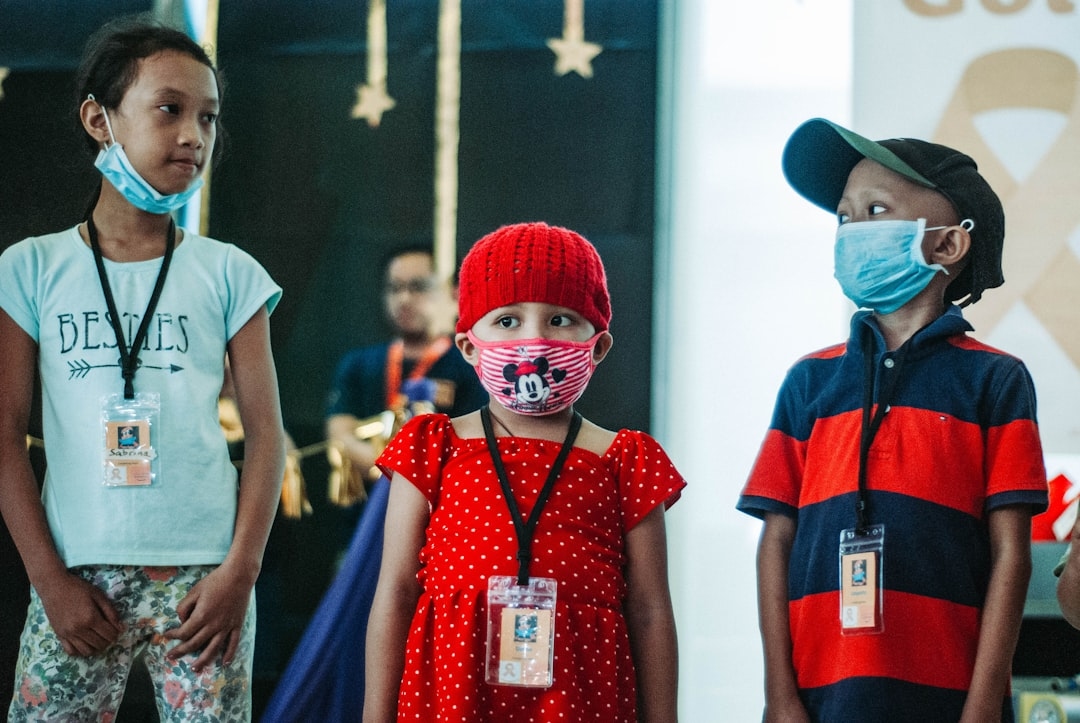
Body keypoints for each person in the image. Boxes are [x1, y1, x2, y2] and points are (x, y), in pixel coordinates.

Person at [0, 14, 285, 721]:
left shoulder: (230, 273)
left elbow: (266, 437)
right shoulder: (30, 268)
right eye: (169, 109)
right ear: (100, 119)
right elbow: (4, 437)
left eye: (208, 117)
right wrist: (48, 580)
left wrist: (240, 574)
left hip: (206, 580)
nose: (194, 135)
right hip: (74, 573)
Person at [737, 118, 1048, 722]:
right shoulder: (809, 381)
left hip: (949, 699)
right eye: (844, 218)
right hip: (820, 700)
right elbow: (776, 542)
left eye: (875, 210)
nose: (853, 231)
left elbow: (1011, 555)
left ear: (948, 246)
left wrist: (984, 706)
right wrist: (780, 696)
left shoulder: (996, 380)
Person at [363, 221, 686, 722]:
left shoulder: (628, 460)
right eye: (508, 320)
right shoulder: (432, 447)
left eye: (559, 319)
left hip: (582, 704)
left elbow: (650, 610)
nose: (534, 341)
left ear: (598, 346)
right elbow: (396, 592)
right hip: (451, 701)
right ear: (469, 347)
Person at [324, 246, 487, 504]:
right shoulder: (358, 364)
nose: (404, 298)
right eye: (394, 288)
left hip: (440, 513)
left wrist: (399, 474)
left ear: (454, 293)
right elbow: (340, 437)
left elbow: (473, 452)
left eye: (418, 287)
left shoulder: (471, 365)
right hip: (362, 516)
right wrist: (402, 473)